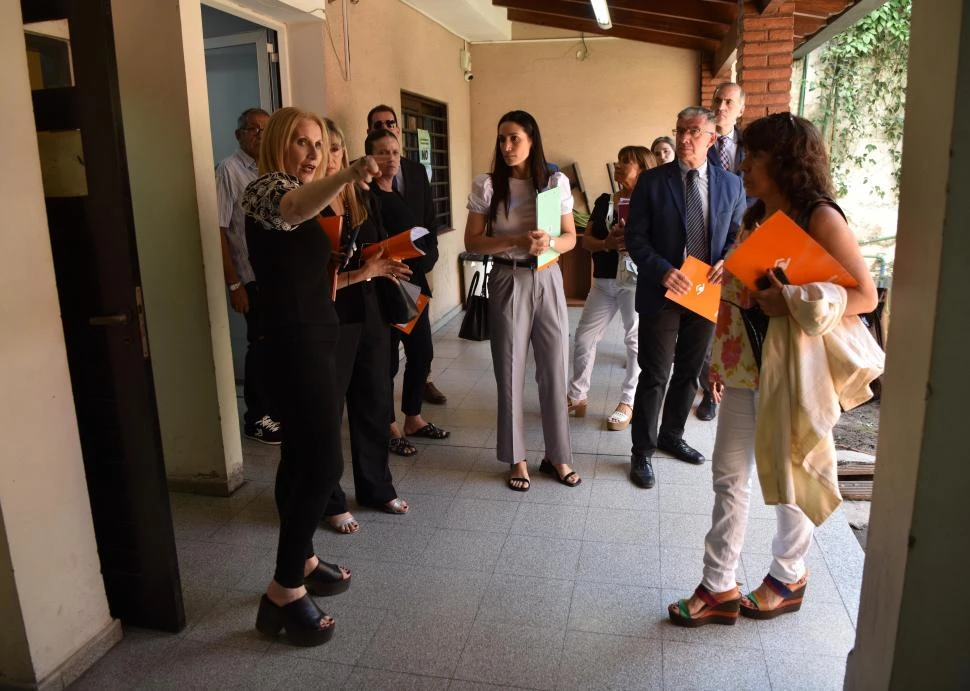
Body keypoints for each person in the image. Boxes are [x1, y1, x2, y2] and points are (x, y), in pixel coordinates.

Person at [667, 112, 879, 627]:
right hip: (745, 366)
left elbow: (865, 295)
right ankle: (718, 585)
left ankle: (788, 575)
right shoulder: (755, 214)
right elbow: (738, 293)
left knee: (794, 470)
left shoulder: (820, 217)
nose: (742, 165)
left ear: (783, 158)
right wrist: (719, 359)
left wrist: (794, 301)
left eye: (752, 156)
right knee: (727, 476)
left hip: (794, 369)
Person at [241, 107, 379, 646]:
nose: (313, 152)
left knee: (302, 456)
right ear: (278, 144)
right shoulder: (265, 190)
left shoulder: (305, 193)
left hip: (316, 333)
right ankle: (283, 592)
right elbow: (295, 206)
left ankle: (301, 559)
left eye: (319, 144)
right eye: (301, 142)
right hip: (290, 342)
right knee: (323, 460)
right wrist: (345, 174)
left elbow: (311, 273)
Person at [624, 107, 746, 490]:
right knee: (656, 372)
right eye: (680, 130)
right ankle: (641, 450)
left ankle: (672, 435)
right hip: (664, 290)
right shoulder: (652, 182)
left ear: (712, 138)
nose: (684, 138)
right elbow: (635, 238)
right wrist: (661, 269)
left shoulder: (730, 185)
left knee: (689, 372)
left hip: (707, 293)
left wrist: (729, 259)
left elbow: (738, 235)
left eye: (694, 131)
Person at [464, 110, 580, 492]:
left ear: (532, 140)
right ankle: (517, 459)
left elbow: (570, 237)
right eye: (502, 139)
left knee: (554, 367)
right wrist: (514, 241)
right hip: (507, 278)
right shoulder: (487, 186)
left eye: (514, 138)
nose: (507, 146)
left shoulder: (553, 183)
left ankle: (558, 455)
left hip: (547, 276)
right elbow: (473, 242)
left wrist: (550, 243)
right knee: (510, 371)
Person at [320, 118, 412, 532]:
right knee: (327, 411)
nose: (329, 157)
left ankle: (376, 487)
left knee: (374, 402)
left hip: (370, 311)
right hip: (330, 318)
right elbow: (310, 279)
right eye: (320, 149)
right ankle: (329, 498)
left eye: (336, 148)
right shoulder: (304, 205)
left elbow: (372, 245)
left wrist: (385, 260)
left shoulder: (360, 197)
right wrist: (364, 269)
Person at [364, 127, 449, 457]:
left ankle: (413, 416)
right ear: (369, 158)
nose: (390, 158)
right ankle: (389, 426)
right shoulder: (368, 196)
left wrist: (425, 254)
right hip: (387, 290)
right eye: (383, 152)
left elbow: (420, 232)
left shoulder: (398, 190)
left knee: (422, 353)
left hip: (413, 288)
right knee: (386, 363)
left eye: (395, 152)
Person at [567, 145, 657, 431]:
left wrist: (636, 244)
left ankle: (627, 401)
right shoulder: (606, 200)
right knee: (583, 338)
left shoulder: (653, 201)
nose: (618, 166)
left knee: (634, 342)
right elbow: (586, 241)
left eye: (627, 162)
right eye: (618, 161)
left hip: (635, 281)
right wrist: (607, 244)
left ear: (643, 168)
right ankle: (577, 397)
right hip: (604, 282)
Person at [215, 107, 281, 445]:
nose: (258, 135)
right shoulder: (229, 170)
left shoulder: (274, 169)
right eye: (252, 129)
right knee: (260, 346)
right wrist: (234, 284)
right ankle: (256, 417)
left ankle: (274, 409)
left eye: (265, 130)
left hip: (276, 276)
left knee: (277, 345)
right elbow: (219, 230)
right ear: (238, 134)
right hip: (250, 277)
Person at [694, 82, 749, 422]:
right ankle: (709, 391)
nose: (723, 106)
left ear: (742, 108)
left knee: (736, 322)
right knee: (706, 324)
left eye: (730, 101)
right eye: (718, 100)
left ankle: (735, 385)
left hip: (747, 246)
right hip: (706, 250)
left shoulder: (754, 147)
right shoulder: (702, 141)